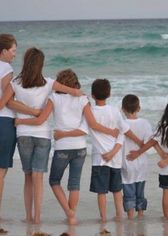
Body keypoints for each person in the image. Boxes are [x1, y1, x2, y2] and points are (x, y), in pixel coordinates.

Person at [15, 69, 119, 225]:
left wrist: (21, 121)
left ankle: (69, 213)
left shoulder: (54, 98)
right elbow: (90, 125)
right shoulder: (83, 99)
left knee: (54, 181)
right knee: (74, 184)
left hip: (62, 148)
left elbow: (41, 119)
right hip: (80, 148)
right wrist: (111, 131)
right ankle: (72, 216)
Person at [0, 47, 86, 224]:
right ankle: (37, 218)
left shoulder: (15, 83)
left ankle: (29, 216)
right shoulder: (49, 82)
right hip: (43, 136)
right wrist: (79, 93)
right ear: (41, 65)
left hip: (23, 134)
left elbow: (5, 102)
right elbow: (70, 91)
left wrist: (23, 112)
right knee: (39, 177)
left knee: (28, 177)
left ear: (25, 62)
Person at [88, 79, 142, 223]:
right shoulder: (114, 110)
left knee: (101, 192)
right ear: (109, 93)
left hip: (99, 159)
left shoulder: (90, 112)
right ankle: (119, 215)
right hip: (115, 159)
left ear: (92, 95)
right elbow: (124, 132)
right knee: (117, 190)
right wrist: (139, 142)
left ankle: (104, 218)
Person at [0, 35, 40, 217]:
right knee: (0, 171)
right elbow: (7, 101)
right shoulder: (6, 68)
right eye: (13, 51)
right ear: (4, 51)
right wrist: (34, 112)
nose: (15, 55)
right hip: (4, 122)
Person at [127, 100, 168, 219]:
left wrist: (140, 152)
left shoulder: (162, 129)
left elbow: (152, 142)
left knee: (166, 193)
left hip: (165, 169)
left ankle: (165, 217)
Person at [121, 94, 153, 220]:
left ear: (122, 109)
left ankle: (130, 216)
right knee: (140, 191)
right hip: (142, 163)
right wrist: (139, 152)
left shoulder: (121, 124)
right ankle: (140, 215)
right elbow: (150, 142)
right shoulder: (145, 123)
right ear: (139, 108)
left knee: (128, 191)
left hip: (126, 162)